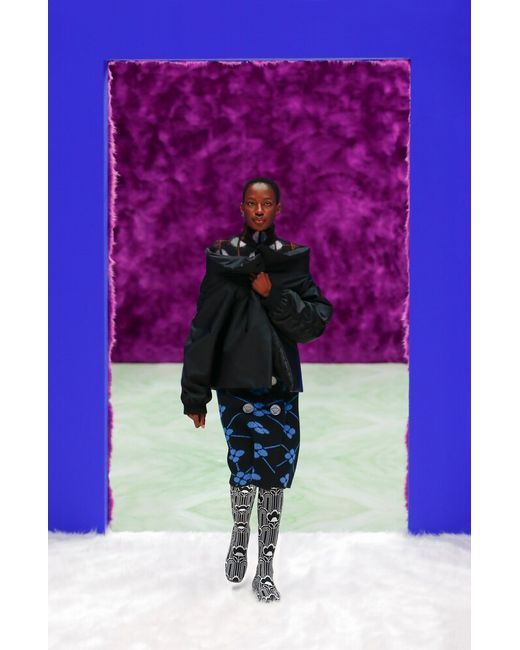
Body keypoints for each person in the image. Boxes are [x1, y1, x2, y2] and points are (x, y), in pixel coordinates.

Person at [180, 177, 333, 602]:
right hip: (235, 385)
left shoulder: (292, 260)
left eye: (267, 204)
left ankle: (265, 567)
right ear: (242, 207)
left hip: (279, 386)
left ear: (278, 209)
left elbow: (314, 322)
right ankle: (239, 534)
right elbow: (205, 328)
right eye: (252, 203)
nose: (259, 211)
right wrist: (195, 394)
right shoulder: (223, 259)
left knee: (275, 478)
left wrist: (274, 295)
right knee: (243, 470)